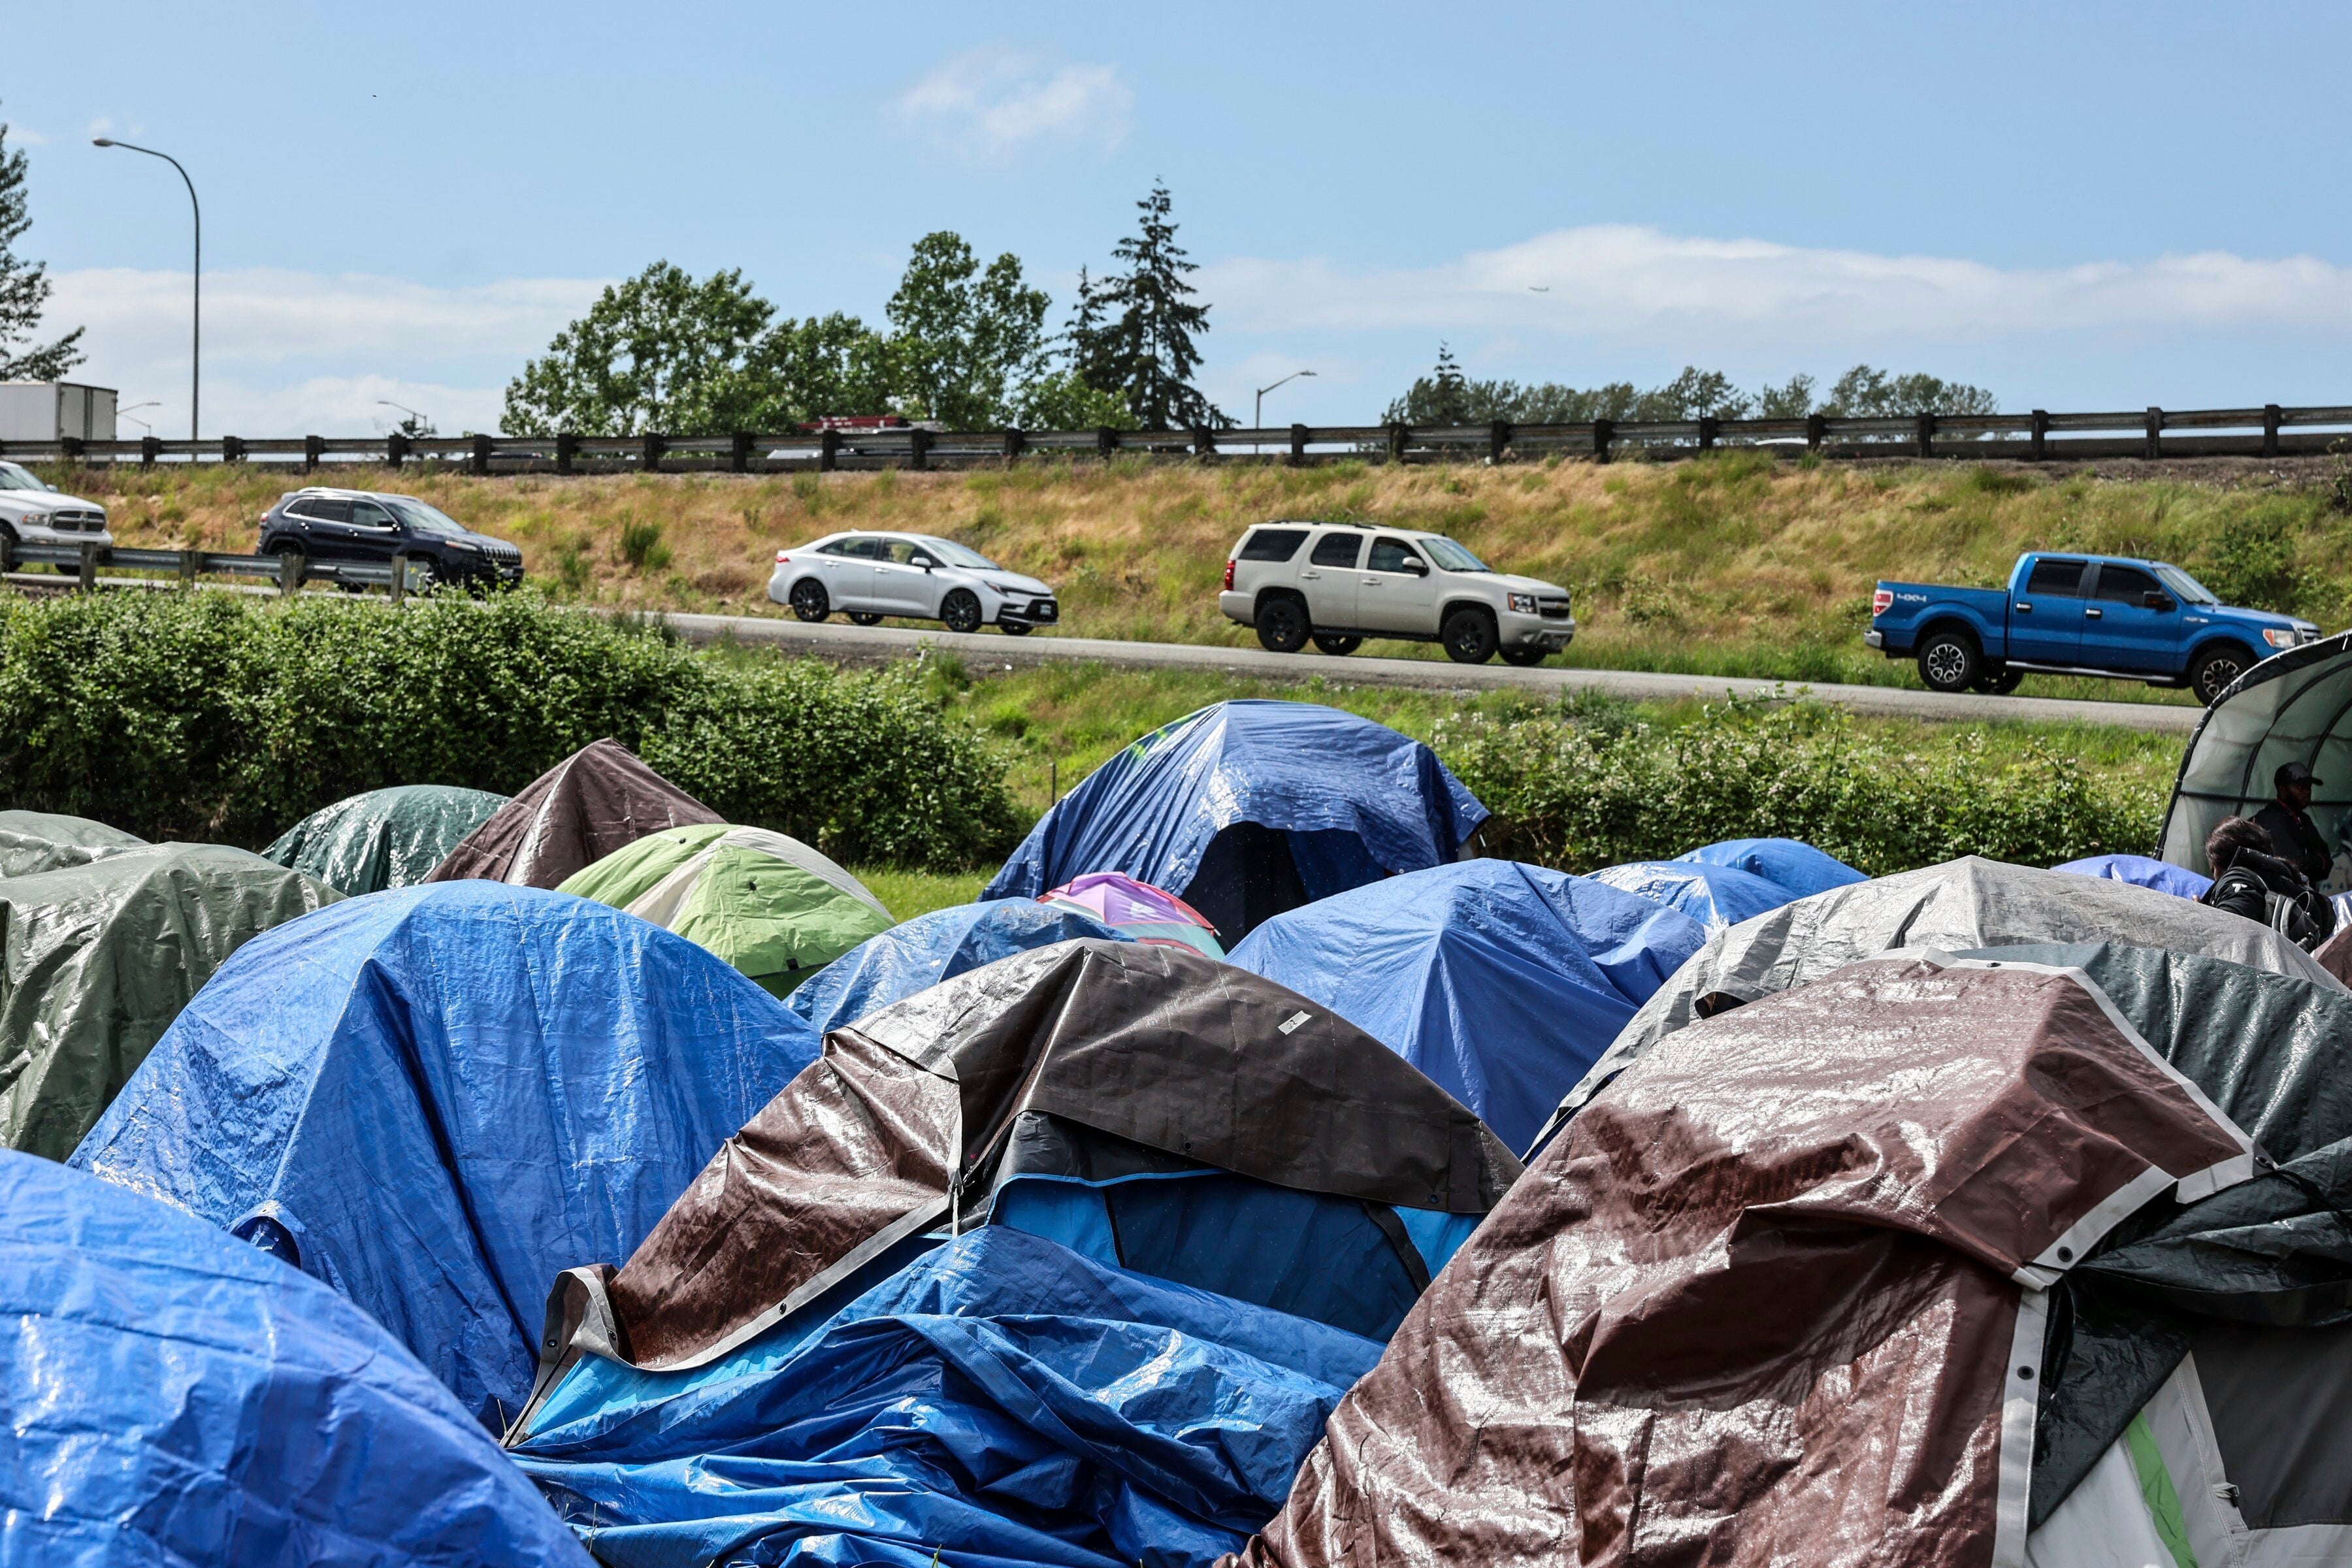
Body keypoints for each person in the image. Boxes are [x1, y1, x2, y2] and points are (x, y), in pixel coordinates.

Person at [2203, 816, 2334, 949]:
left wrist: (2199, 917)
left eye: (2212, 868)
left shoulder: (2236, 879)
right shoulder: (2289, 880)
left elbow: (2223, 942)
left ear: (2216, 864)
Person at [2255, 760, 2332, 886]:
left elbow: (2327, 860)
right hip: (2281, 894)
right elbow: (2294, 866)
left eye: (2309, 787)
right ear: (2282, 789)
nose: (2307, 792)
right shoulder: (2271, 818)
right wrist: (2316, 860)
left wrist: (2315, 861)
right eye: (2300, 787)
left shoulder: (2303, 819)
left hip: (2302, 891)